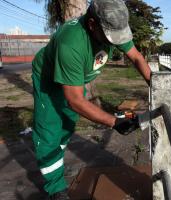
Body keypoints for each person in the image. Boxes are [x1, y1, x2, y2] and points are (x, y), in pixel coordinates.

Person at [31, 0, 151, 199]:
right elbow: (75, 101)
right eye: (110, 37)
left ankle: (57, 156)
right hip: (49, 81)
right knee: (49, 131)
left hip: (75, 81)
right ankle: (55, 189)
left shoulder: (109, 26)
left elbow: (137, 57)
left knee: (67, 126)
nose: (115, 42)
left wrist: (156, 85)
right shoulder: (71, 42)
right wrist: (114, 122)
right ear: (93, 24)